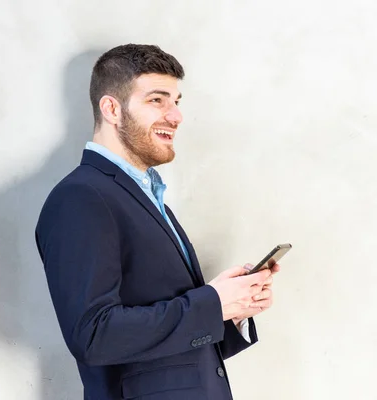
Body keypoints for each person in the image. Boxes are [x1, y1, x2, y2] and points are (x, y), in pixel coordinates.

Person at [35, 44, 281, 400]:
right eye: (157, 100)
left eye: (177, 101)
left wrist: (232, 309)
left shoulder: (146, 195)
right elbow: (93, 336)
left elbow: (171, 353)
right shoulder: (82, 197)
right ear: (112, 109)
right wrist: (212, 303)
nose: (176, 116)